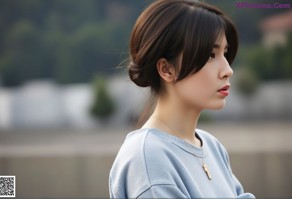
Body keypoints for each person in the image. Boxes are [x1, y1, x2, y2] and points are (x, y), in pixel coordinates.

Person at [109, 0, 255, 198]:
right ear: (167, 69)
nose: (228, 70)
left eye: (225, 54)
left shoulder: (212, 146)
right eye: (211, 55)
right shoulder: (148, 159)